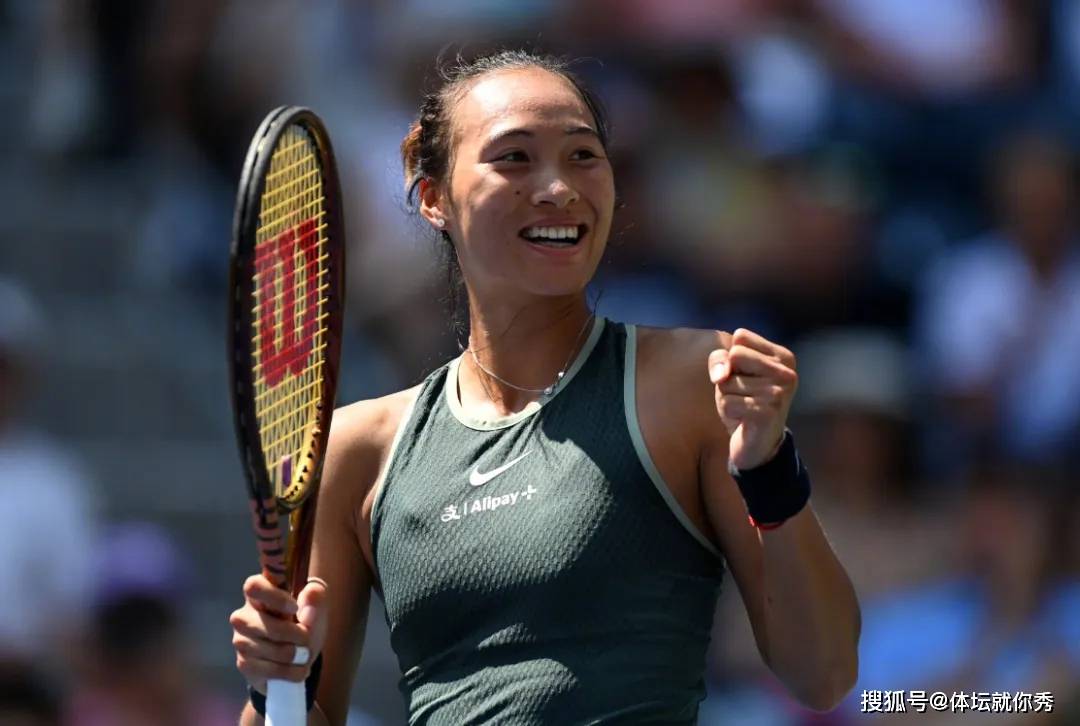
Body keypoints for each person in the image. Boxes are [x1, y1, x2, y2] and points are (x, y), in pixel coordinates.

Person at [229, 49, 861, 725]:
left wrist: (769, 470)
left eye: (584, 155)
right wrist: (275, 687)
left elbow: (823, 675)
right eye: (515, 157)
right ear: (434, 197)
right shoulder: (358, 449)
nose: (559, 187)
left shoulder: (695, 381)